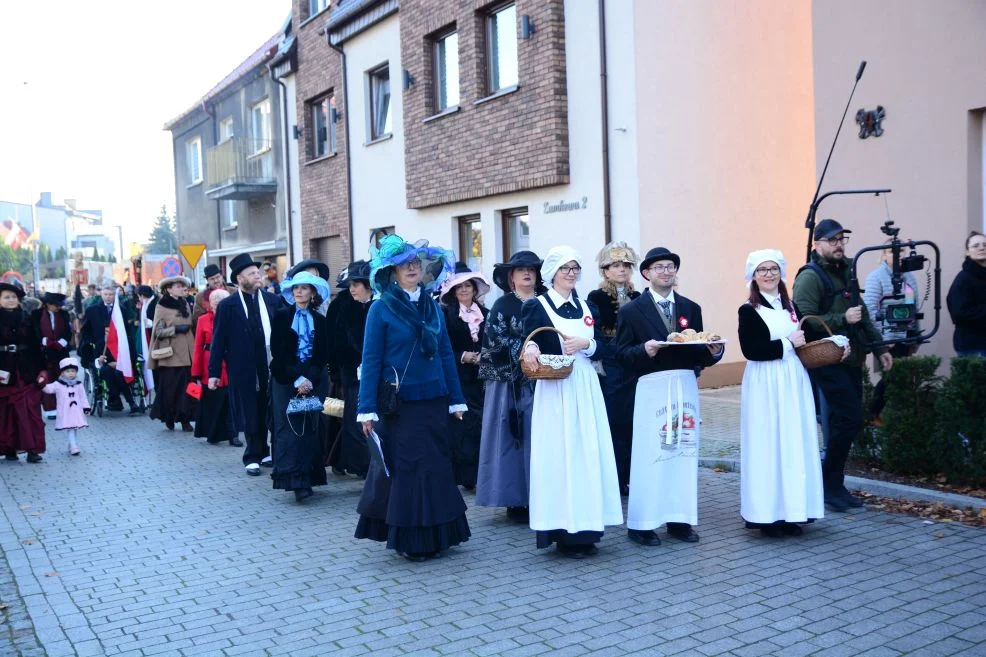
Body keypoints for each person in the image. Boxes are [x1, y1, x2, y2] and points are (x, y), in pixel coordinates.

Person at [355, 234, 470, 561]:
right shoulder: (380, 310)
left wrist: (456, 399)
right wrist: (366, 409)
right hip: (400, 404)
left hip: (434, 399)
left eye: (416, 263)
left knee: (435, 466)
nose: (412, 268)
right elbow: (372, 360)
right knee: (410, 469)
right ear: (391, 271)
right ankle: (413, 540)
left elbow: (447, 354)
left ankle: (440, 533)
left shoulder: (433, 307)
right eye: (404, 264)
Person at [615, 247, 723, 546]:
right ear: (647, 274)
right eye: (659, 267)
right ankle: (642, 524)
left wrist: (715, 352)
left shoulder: (691, 307)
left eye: (670, 266)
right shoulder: (631, 312)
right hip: (652, 386)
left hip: (685, 385)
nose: (666, 271)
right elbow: (621, 355)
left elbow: (701, 349)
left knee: (683, 453)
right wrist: (643, 350)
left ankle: (680, 521)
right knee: (652, 454)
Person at [521, 246, 623, 558]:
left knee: (587, 454)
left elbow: (607, 347)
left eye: (576, 267)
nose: (571, 273)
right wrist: (529, 350)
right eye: (565, 268)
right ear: (552, 273)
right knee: (560, 454)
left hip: (585, 384)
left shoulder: (588, 305)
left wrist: (588, 343)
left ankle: (589, 528)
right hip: (555, 389)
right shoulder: (537, 307)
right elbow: (529, 341)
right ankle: (563, 530)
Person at [793, 218, 891, 512]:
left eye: (842, 239)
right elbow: (805, 321)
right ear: (818, 244)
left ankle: (833, 485)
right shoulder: (809, 277)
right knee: (849, 419)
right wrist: (841, 320)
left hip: (852, 357)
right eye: (833, 240)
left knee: (843, 422)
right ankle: (829, 484)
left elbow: (861, 315)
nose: (839, 245)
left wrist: (879, 347)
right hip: (826, 359)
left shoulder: (847, 270)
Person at [738, 250, 825, 537]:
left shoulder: (792, 306)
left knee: (792, 441)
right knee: (769, 444)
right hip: (766, 382)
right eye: (761, 270)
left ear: (781, 273)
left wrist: (834, 342)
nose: (768, 274)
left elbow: (806, 339)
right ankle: (767, 516)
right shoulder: (748, 311)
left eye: (773, 268)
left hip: (792, 380)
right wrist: (787, 343)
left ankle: (793, 512)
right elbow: (752, 350)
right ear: (753, 276)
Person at [476, 251, 546, 522]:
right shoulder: (502, 306)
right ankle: (515, 500)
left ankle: (543, 494)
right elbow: (493, 341)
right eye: (520, 270)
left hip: (545, 380)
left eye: (531, 269)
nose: (527, 274)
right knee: (512, 438)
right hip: (509, 384)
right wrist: (525, 351)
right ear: (511, 277)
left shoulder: (546, 302)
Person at [209, 253, 281, 476]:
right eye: (252, 273)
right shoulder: (229, 306)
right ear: (240, 279)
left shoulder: (272, 300)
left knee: (270, 408)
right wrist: (213, 372)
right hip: (243, 368)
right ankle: (252, 454)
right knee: (250, 412)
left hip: (270, 364)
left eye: (257, 272)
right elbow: (218, 340)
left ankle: (268, 450)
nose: (257, 276)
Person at [270, 272, 332, 501]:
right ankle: (294, 481)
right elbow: (278, 352)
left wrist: (309, 378)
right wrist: (297, 378)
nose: (299, 292)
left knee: (310, 429)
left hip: (311, 380)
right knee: (290, 430)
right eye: (296, 288)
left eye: (304, 288)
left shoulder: (320, 320)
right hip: (285, 380)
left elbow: (321, 354)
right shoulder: (281, 317)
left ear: (312, 292)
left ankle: (309, 477)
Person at [586, 242, 641, 495]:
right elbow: (594, 332)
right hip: (610, 365)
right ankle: (614, 477)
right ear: (605, 271)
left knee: (633, 422)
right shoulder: (595, 298)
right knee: (613, 421)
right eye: (616, 265)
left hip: (634, 364)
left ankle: (631, 474)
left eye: (626, 265)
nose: (622, 270)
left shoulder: (638, 297)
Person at [439, 263, 491, 490]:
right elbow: (441, 348)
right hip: (458, 377)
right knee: (463, 425)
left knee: (482, 424)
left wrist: (484, 355)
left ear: (474, 288)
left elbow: (493, 341)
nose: (463, 290)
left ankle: (482, 473)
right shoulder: (446, 314)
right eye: (459, 287)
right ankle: (466, 475)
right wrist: (463, 356)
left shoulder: (485, 313)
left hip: (483, 376)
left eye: (468, 286)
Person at [864, 241, 922, 419]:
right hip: (887, 338)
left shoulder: (909, 276)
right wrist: (882, 339)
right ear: (884, 255)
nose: (898, 255)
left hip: (906, 336)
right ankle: (873, 412)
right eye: (892, 251)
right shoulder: (877, 277)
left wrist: (916, 337)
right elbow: (870, 310)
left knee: (900, 377)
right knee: (893, 376)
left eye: (902, 251)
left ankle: (887, 414)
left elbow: (914, 307)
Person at [331, 261, 373, 478]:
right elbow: (341, 342)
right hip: (353, 375)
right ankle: (364, 468)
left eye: (356, 284)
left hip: (371, 375)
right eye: (350, 285)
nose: (352, 289)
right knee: (356, 423)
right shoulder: (347, 306)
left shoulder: (376, 305)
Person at [1, 281, 47, 463]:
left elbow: (36, 345)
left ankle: (32, 450)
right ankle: (9, 448)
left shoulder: (27, 317)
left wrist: (42, 369)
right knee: (6, 413)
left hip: (26, 371)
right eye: (6, 297)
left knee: (30, 412)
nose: (11, 300)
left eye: (13, 297)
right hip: (4, 371)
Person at [80, 287, 141, 415]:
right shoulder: (92, 310)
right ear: (101, 294)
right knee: (107, 372)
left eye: (111, 294)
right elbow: (86, 330)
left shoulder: (121, 310)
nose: (108, 297)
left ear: (115, 296)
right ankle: (115, 399)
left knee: (119, 372)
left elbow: (127, 330)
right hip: (100, 348)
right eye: (106, 294)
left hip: (121, 354)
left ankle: (127, 402)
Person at [191, 288, 239, 446]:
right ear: (210, 305)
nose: (218, 307)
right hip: (209, 364)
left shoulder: (235, 318)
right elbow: (198, 347)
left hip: (231, 363)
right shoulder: (203, 320)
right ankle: (213, 433)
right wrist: (196, 373)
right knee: (213, 401)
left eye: (221, 304)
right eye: (215, 304)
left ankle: (233, 434)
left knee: (230, 400)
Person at [148, 276, 196, 432]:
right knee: (170, 389)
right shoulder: (162, 306)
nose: (182, 288)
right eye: (178, 286)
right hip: (171, 355)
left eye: (183, 286)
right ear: (169, 289)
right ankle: (168, 416)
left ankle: (185, 419)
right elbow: (158, 331)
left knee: (188, 387)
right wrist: (175, 329)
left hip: (188, 352)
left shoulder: (185, 303)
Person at [946, 231, 986, 357]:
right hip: (973, 346)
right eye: (976, 246)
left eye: (985, 245)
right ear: (967, 252)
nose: (981, 248)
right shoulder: (963, 279)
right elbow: (959, 314)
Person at [42, 357, 90, 456]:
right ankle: (73, 446)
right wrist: (41, 383)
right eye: (68, 371)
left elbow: (83, 397)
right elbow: (48, 389)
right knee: (70, 428)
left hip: (76, 411)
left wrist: (86, 407)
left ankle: (71, 444)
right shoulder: (58, 384)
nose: (71, 373)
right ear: (62, 372)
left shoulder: (78, 384)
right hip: (65, 411)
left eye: (73, 371)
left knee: (75, 427)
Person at [33, 292, 72, 416]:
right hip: (44, 352)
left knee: (63, 378)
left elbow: (68, 330)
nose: (58, 307)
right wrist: (44, 340)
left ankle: (65, 406)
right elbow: (34, 331)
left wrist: (63, 341)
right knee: (48, 380)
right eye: (56, 305)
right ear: (48, 305)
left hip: (61, 351)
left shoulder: (64, 314)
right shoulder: (36, 314)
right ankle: (50, 409)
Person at [192, 264, 236, 330]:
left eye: (217, 277)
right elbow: (197, 319)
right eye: (212, 279)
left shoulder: (234, 292)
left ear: (221, 276)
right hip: (211, 332)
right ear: (207, 280)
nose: (216, 281)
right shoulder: (200, 296)